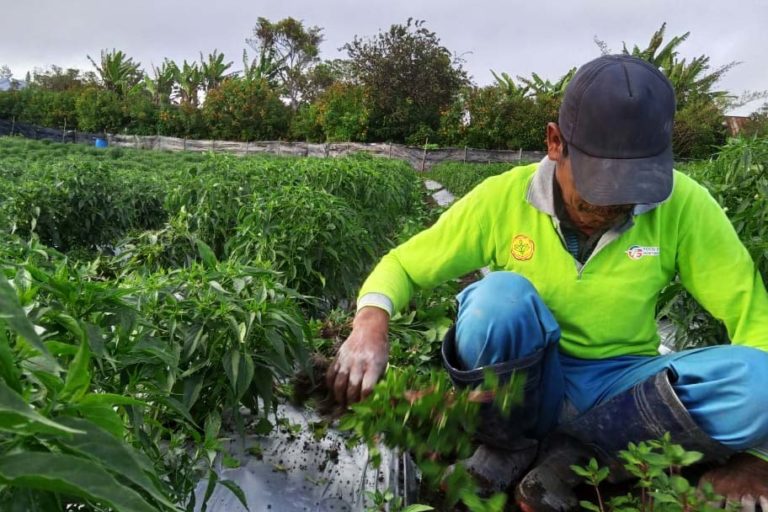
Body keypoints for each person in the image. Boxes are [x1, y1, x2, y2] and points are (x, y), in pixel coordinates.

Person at [326, 54, 768, 510]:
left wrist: (759, 457)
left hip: (625, 389)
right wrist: (370, 323)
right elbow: (404, 264)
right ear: (555, 143)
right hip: (531, 383)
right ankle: (507, 444)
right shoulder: (503, 198)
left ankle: (577, 453)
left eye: (633, 189)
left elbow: (754, 318)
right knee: (496, 300)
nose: (615, 207)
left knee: (760, 379)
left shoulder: (685, 205)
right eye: (600, 187)